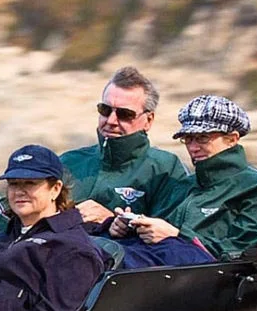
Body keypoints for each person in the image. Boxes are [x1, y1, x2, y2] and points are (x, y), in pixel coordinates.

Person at [111, 94, 257, 267]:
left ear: (232, 139)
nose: (193, 148)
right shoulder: (184, 185)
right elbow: (157, 231)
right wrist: (130, 226)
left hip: (205, 284)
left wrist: (176, 236)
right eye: (188, 139)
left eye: (203, 138)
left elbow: (241, 254)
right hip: (156, 270)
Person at [0, 145, 105, 311]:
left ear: (55, 189)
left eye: (30, 183)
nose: (19, 191)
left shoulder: (73, 250)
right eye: (13, 184)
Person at [62, 65, 192, 227]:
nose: (111, 121)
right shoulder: (68, 162)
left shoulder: (166, 169)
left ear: (149, 120)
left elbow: (170, 235)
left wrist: (113, 221)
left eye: (125, 114)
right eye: (105, 109)